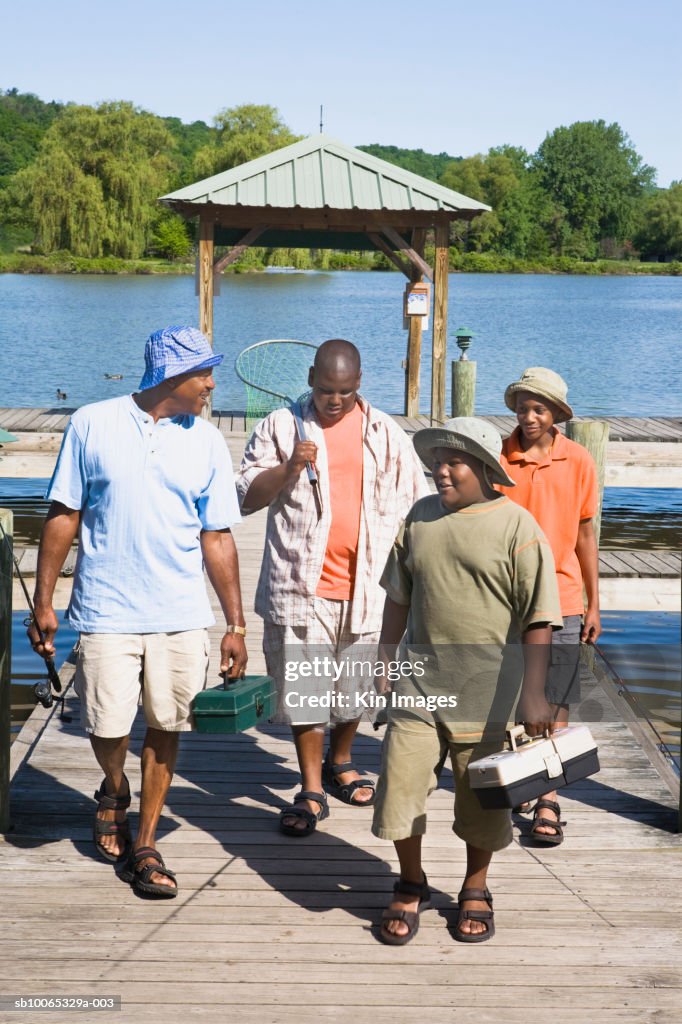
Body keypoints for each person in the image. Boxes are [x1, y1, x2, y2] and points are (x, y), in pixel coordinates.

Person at [29, 326, 248, 898]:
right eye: (203, 373)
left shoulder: (204, 441)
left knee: (168, 723)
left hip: (178, 609)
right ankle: (113, 787)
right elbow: (63, 513)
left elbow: (218, 535)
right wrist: (43, 600)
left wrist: (236, 624)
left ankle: (146, 841)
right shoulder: (91, 423)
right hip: (105, 608)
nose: (210, 384)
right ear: (171, 377)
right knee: (106, 724)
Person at [373, 417, 562, 945]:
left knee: (481, 803)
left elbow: (539, 619)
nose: (441, 471)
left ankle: (475, 887)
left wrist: (534, 694)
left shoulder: (517, 527)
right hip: (418, 686)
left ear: (484, 469)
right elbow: (398, 595)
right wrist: (386, 661)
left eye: (454, 462)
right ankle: (411, 881)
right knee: (398, 788)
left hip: (489, 695)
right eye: (437, 461)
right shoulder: (420, 517)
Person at [236, 339, 428, 836]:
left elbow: (418, 506)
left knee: (357, 686)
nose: (334, 400)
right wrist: (289, 467)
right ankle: (311, 785)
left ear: (359, 383)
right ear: (310, 378)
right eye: (325, 390)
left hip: (370, 587)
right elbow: (246, 498)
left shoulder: (386, 433)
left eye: (343, 391)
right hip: (301, 585)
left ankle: (342, 759)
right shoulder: (281, 426)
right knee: (303, 687)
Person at [499, 367, 600, 845]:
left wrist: (594, 602)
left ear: (557, 413)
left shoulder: (578, 460)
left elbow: (584, 533)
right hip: (506, 596)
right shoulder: (498, 455)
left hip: (562, 594)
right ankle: (522, 775)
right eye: (523, 406)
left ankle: (549, 799)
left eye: (539, 408)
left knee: (556, 698)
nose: (529, 415)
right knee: (514, 692)